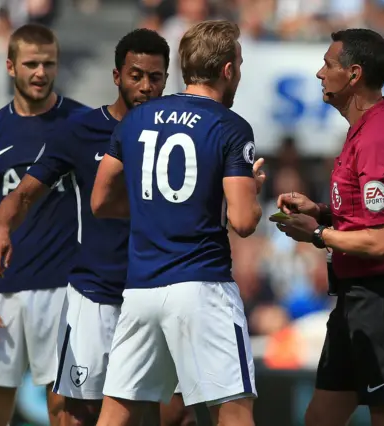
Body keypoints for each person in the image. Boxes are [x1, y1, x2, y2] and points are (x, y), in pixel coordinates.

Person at [0, 29, 197, 426]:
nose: (146, 86)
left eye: (156, 77)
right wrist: (0, 230)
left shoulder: (182, 135)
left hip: (156, 291)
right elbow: (25, 194)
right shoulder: (81, 130)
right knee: (78, 411)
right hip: (95, 293)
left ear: (168, 78)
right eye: (136, 75)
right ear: (117, 76)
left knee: (167, 412)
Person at [90, 20, 265, 426]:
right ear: (227, 70)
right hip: (202, 287)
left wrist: (156, 212)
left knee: (115, 413)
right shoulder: (229, 126)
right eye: (238, 63)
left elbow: (100, 201)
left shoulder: (135, 119)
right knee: (235, 410)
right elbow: (242, 222)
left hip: (140, 290)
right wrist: (252, 191)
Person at [269, 28, 384, 426]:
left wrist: (317, 235)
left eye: (328, 64)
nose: (320, 73)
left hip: (382, 303)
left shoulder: (378, 137)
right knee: (319, 418)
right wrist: (321, 212)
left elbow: (381, 241)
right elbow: (365, 215)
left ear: (353, 74)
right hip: (356, 300)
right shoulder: (365, 131)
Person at [0, 23, 88, 426]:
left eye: (48, 63)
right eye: (31, 63)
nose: (40, 72)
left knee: (64, 409)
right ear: (10, 66)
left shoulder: (83, 124)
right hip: (3, 288)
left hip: (65, 288)